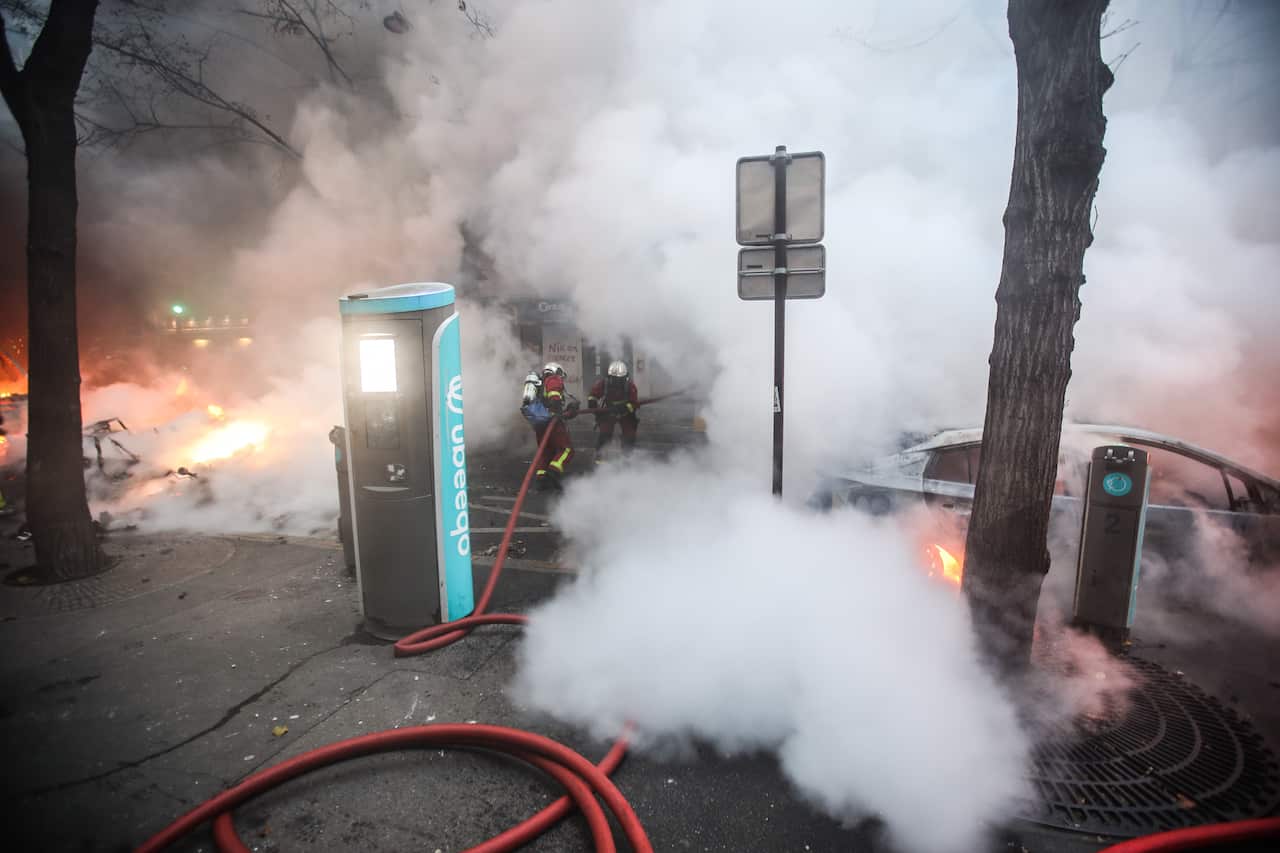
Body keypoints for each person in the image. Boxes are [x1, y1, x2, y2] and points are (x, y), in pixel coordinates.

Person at [520, 363, 578, 491]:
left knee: (546, 452)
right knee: (566, 450)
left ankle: (542, 479)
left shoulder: (541, 384)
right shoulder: (552, 379)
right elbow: (554, 397)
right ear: (556, 371)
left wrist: (569, 410)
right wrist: (557, 410)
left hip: (540, 424)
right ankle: (553, 473)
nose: (561, 378)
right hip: (552, 422)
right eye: (560, 374)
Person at [587, 360, 639, 461]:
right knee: (605, 434)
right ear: (609, 377)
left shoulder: (630, 386)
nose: (617, 381)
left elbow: (634, 403)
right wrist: (592, 402)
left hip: (625, 413)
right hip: (608, 412)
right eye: (614, 379)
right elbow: (593, 394)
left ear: (625, 377)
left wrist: (625, 407)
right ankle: (600, 458)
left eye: (620, 379)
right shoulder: (604, 383)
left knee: (629, 435)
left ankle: (627, 457)